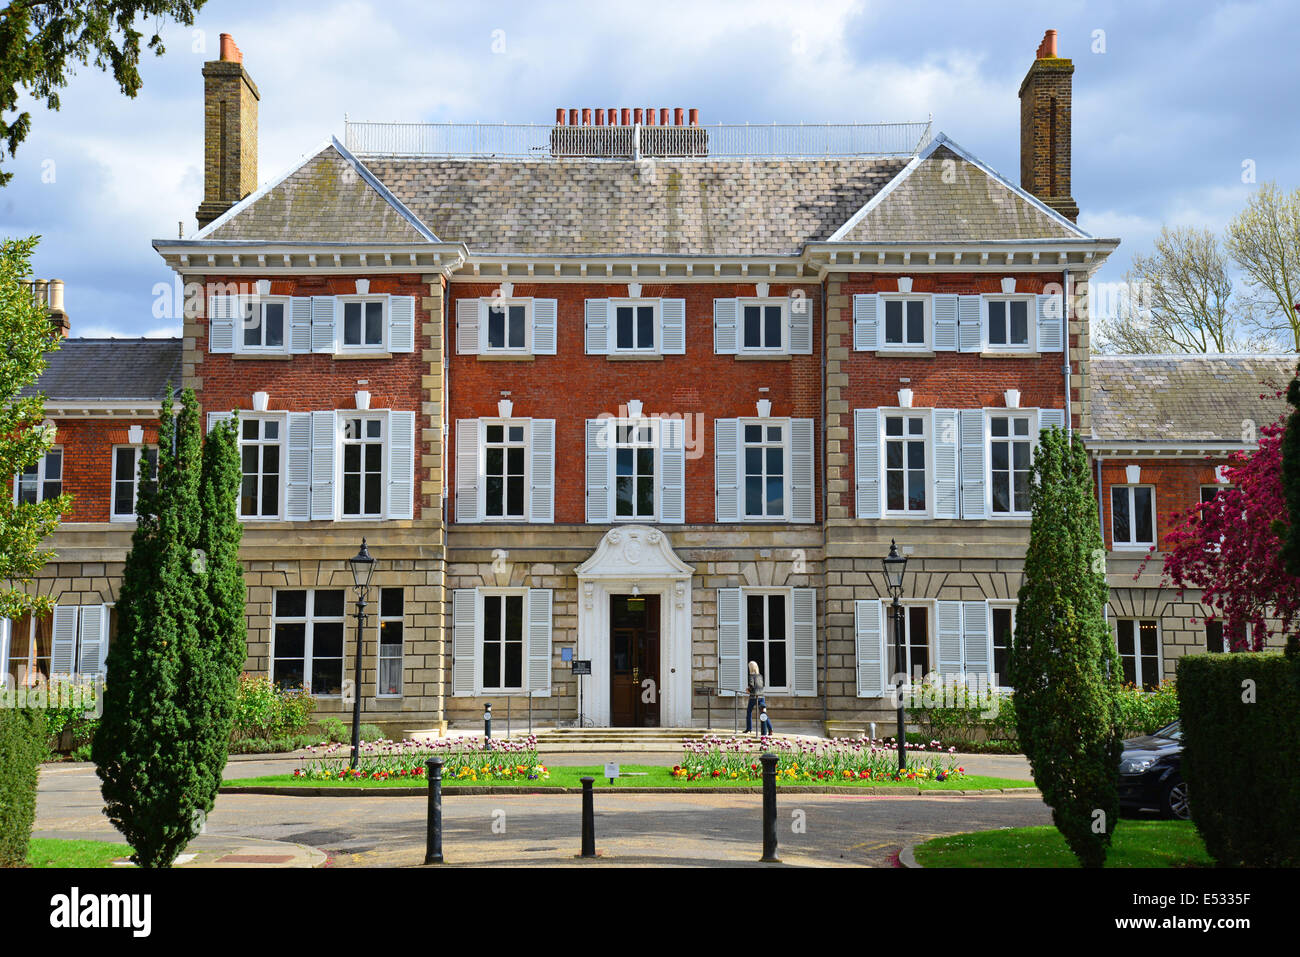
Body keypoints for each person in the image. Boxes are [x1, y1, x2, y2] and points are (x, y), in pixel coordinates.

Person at [746, 661, 774, 736]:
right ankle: (770, 729)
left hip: (754, 697)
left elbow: (751, 686)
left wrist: (748, 690)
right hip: (761, 696)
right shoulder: (760, 676)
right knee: (763, 713)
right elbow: (762, 686)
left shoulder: (751, 676)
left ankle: (749, 728)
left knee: (749, 712)